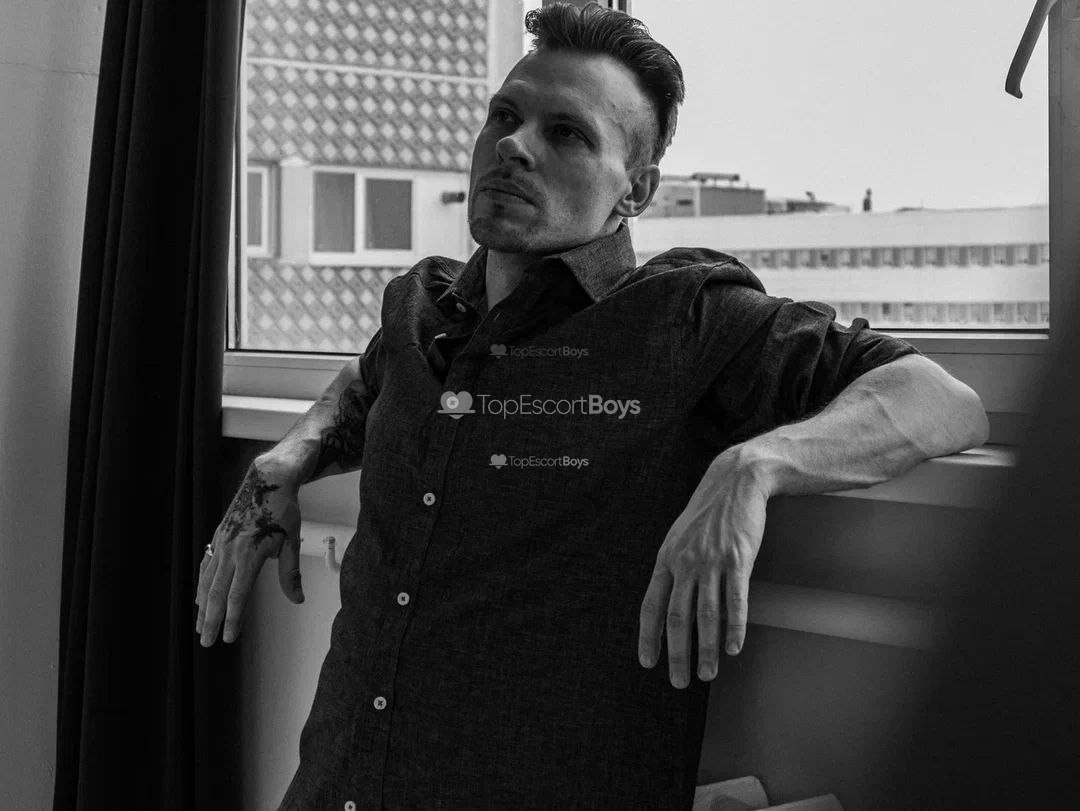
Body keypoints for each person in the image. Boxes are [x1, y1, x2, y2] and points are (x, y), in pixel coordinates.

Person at [194, 3, 989, 808]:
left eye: (566, 133)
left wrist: (755, 466)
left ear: (634, 189)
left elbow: (940, 398)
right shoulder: (420, 308)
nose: (513, 144)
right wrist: (289, 455)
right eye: (505, 116)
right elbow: (366, 383)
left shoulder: (683, 318)